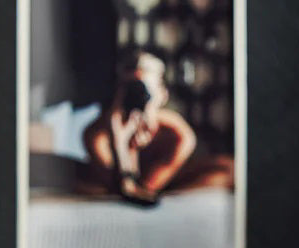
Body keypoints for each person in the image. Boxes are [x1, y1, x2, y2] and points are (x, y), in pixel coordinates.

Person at [81, 50, 233, 205]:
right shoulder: (97, 135)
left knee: (229, 169)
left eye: (144, 91)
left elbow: (147, 189)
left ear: (162, 95)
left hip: (169, 183)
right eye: (131, 91)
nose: (137, 98)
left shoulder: (176, 134)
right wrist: (122, 145)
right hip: (118, 183)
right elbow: (128, 191)